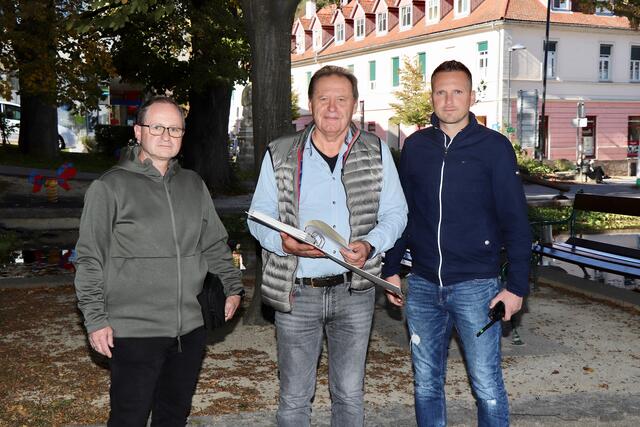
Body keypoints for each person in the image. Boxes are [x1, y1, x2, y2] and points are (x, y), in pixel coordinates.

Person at [248, 65, 407, 427]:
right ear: (310, 104)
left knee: (349, 394)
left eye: (341, 99)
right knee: (293, 398)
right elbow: (258, 216)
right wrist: (284, 244)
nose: (332, 107)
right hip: (298, 292)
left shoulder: (376, 150)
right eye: (324, 98)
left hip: (355, 290)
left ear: (354, 104)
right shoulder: (282, 153)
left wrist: (370, 244)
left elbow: (397, 212)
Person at [74, 96, 244, 426]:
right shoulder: (110, 187)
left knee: (173, 415)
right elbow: (90, 258)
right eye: (157, 127)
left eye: (175, 129)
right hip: (134, 331)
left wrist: (233, 288)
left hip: (190, 330)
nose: (166, 135)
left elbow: (214, 245)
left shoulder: (194, 185)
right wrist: (95, 319)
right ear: (138, 132)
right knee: (129, 418)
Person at [382, 60, 532, 427]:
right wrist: (390, 270)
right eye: (440, 92)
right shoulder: (416, 147)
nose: (448, 101)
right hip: (421, 285)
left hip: (476, 287)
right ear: (431, 96)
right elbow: (405, 213)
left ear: (472, 96)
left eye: (457, 91)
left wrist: (516, 288)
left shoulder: (495, 147)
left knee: (486, 385)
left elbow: (516, 221)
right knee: (426, 384)